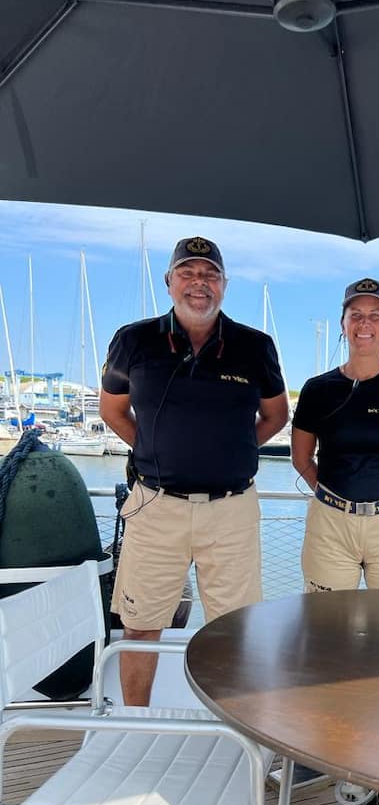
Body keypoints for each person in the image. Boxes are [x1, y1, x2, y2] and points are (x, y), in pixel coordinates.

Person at [100, 236, 288, 705]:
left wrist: (233, 451)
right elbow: (112, 410)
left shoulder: (255, 346)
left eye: (210, 274)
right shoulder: (133, 340)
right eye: (187, 272)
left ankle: (231, 725)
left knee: (235, 628)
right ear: (169, 282)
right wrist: (153, 451)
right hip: (155, 506)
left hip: (231, 511)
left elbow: (276, 415)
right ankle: (136, 723)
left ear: (224, 285)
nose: (198, 282)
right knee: (141, 626)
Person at [292, 277, 379, 591]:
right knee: (326, 617)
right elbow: (301, 457)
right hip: (330, 525)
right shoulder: (316, 390)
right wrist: (334, 497)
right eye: (355, 315)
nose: (364, 323)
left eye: (375, 316)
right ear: (343, 324)